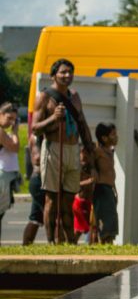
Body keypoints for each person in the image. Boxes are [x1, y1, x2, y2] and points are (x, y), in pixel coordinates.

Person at [33, 59, 95, 244]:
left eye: (70, 72)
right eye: (63, 72)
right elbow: (35, 128)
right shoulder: (44, 97)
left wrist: (89, 148)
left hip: (72, 149)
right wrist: (53, 118)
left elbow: (82, 123)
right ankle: (51, 241)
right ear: (53, 75)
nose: (67, 75)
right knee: (52, 198)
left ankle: (70, 242)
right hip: (53, 148)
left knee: (69, 198)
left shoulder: (75, 96)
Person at [92, 122, 120, 244]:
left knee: (112, 223)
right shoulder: (98, 151)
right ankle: (103, 245)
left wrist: (114, 191)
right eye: (113, 134)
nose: (116, 137)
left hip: (109, 190)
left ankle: (107, 245)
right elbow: (88, 164)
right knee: (105, 225)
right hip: (101, 190)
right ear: (104, 138)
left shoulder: (109, 152)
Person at [0, 103, 20, 244]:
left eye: (14, 119)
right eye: (9, 118)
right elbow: (15, 147)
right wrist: (15, 132)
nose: (11, 122)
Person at [23, 134, 44, 244]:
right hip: (39, 181)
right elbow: (37, 159)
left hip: (41, 181)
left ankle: (25, 246)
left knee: (35, 219)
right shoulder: (36, 137)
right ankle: (58, 246)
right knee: (54, 216)